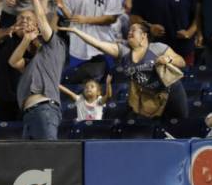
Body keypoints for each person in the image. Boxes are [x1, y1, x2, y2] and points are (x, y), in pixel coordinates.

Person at [61, 22, 189, 119]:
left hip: (171, 92)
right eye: (129, 30)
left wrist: (168, 59)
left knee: (180, 124)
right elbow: (98, 44)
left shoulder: (157, 48)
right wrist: (75, 31)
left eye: (134, 30)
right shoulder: (124, 52)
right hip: (149, 98)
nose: (129, 32)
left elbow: (181, 61)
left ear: (144, 35)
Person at [9, 0, 67, 139]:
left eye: (31, 22)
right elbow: (13, 62)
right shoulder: (33, 62)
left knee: (47, 157)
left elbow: (41, 17)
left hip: (44, 110)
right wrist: (26, 39)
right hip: (30, 114)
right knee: (32, 162)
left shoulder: (54, 45)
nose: (27, 25)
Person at [58, 0, 123, 77]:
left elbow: (112, 18)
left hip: (103, 44)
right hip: (78, 48)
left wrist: (86, 20)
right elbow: (72, 18)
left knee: (107, 85)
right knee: (81, 88)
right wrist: (62, 7)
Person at [0, 12, 36, 122]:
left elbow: (34, 52)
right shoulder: (8, 36)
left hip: (23, 98)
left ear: (36, 24)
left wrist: (28, 37)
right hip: (2, 97)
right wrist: (9, 30)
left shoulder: (36, 41)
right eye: (21, 18)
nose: (24, 20)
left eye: (28, 18)